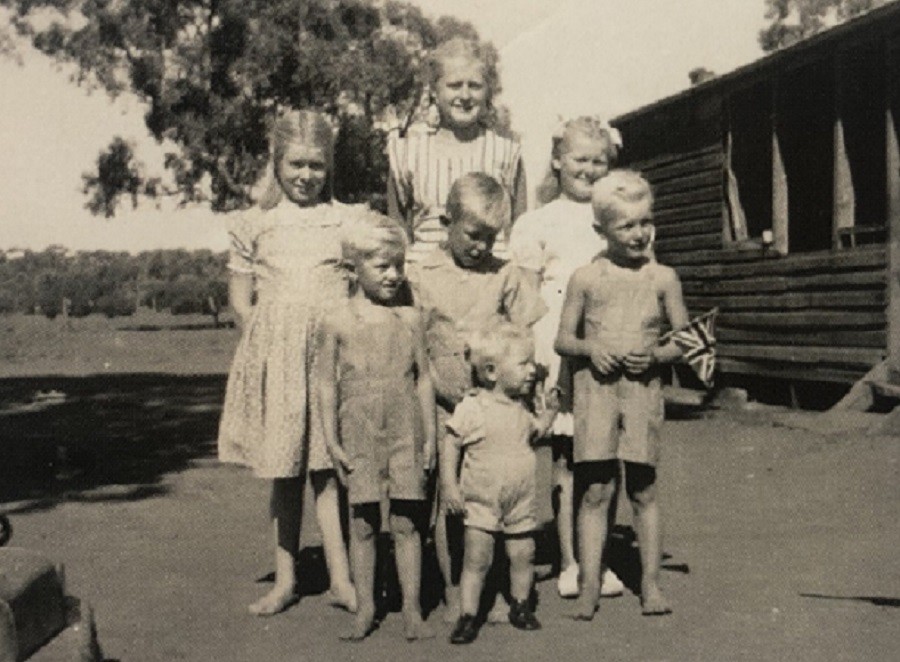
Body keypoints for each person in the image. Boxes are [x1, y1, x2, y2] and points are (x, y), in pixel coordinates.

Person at [217, 109, 356, 617]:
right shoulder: (256, 225)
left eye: (316, 166)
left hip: (332, 360)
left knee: (329, 470)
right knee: (285, 472)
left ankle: (342, 578)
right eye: (295, 164)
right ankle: (287, 579)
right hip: (280, 363)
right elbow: (240, 301)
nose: (305, 176)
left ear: (329, 167)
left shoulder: (344, 221)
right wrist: (270, 344)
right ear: (276, 163)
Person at [406, 172, 545, 623]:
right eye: (473, 235)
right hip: (434, 402)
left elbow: (526, 334)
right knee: (443, 499)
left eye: (491, 238)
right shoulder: (420, 272)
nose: (482, 247)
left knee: (487, 501)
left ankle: (496, 591)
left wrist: (534, 387)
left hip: (489, 409)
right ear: (447, 221)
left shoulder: (503, 275)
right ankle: (451, 591)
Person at [554, 170, 688, 619]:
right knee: (595, 489)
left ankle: (650, 585)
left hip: (642, 391)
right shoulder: (585, 279)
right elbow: (563, 341)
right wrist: (591, 349)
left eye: (645, 222)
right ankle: (589, 583)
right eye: (626, 225)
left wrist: (656, 355)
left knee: (644, 489)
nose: (639, 233)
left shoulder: (664, 278)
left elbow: (688, 341)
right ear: (601, 230)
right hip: (596, 393)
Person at [509, 116, 626, 600]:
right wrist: (528, 356)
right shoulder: (537, 221)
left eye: (599, 161)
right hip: (557, 347)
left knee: (606, 455)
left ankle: (600, 559)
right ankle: (570, 561)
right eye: (580, 159)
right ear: (558, 160)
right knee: (565, 456)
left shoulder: (618, 216)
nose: (590, 169)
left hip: (608, 344)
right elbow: (524, 297)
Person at [316, 212, 437, 641]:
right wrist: (331, 439)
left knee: (406, 520)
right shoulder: (336, 321)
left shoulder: (411, 318)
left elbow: (423, 378)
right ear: (352, 270)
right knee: (364, 522)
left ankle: (412, 607)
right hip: (358, 427)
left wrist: (430, 438)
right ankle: (365, 607)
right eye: (381, 266)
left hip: (406, 426)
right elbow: (326, 384)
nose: (393, 275)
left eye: (399, 265)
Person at [441, 324, 558, 644]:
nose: (532, 370)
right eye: (523, 364)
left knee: (524, 554)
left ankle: (520, 605)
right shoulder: (473, 406)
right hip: (481, 499)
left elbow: (534, 434)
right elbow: (451, 443)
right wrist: (449, 484)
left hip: (520, 499)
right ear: (492, 371)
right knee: (477, 559)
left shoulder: (522, 407)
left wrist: (549, 416)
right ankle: (468, 615)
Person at [387, 37, 527, 263]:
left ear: (487, 92)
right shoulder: (406, 153)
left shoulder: (506, 153)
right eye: (454, 85)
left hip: (491, 281)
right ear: (434, 91)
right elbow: (396, 229)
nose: (465, 95)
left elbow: (522, 230)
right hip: (426, 281)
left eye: (474, 86)